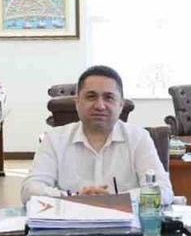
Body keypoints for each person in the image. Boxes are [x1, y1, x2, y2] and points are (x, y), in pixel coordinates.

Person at [22, 65, 174, 203]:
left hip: (124, 223)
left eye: (109, 97)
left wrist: (113, 200)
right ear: (77, 103)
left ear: (121, 105)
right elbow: (29, 191)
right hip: (72, 221)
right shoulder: (54, 139)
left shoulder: (138, 138)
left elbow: (163, 191)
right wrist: (75, 197)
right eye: (91, 97)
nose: (100, 106)